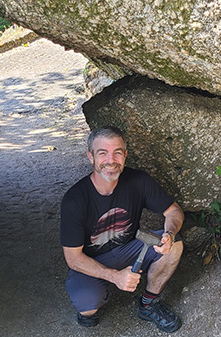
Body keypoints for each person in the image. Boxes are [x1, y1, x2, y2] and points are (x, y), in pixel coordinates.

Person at [60, 125, 184, 332]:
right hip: (92, 260)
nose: (111, 160)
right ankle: (102, 288)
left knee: (175, 245)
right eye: (103, 153)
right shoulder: (75, 200)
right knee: (87, 306)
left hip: (129, 248)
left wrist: (169, 234)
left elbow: (173, 212)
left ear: (125, 155)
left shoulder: (139, 181)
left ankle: (148, 304)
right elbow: (72, 258)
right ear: (90, 157)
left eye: (117, 152)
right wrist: (114, 276)